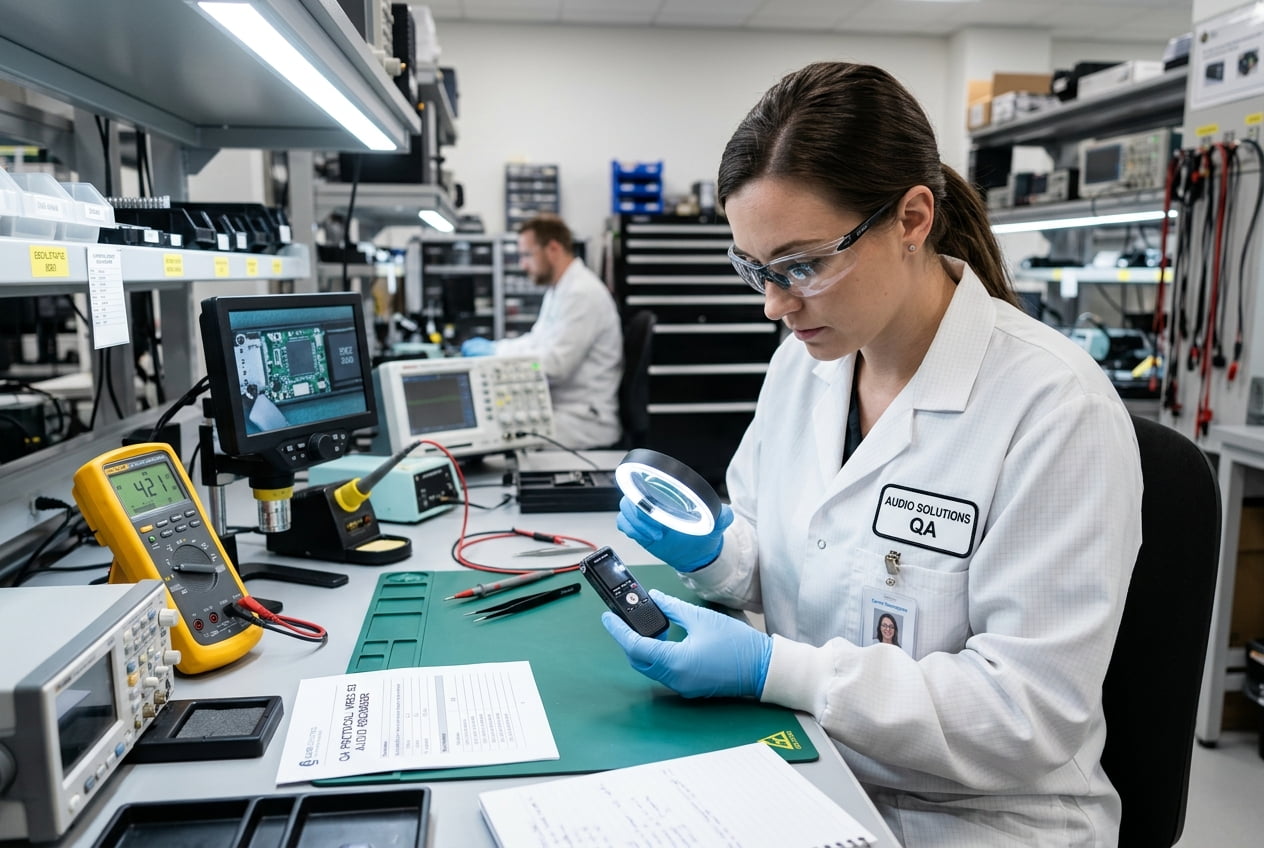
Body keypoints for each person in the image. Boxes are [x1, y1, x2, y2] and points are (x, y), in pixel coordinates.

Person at [602, 62, 1143, 848]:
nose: (775, 305)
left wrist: (771, 670)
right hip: (811, 769)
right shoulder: (805, 363)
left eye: (802, 265)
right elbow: (797, 561)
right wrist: (720, 553)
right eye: (754, 268)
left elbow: (1027, 712)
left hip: (976, 819)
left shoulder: (1055, 407)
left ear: (913, 218)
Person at [461, 215, 622, 449]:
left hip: (583, 421)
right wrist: (495, 349)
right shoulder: (560, 290)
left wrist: (496, 357)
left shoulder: (582, 293)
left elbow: (555, 366)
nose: (522, 264)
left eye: (527, 255)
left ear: (553, 248)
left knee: (494, 439)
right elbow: (536, 342)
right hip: (563, 409)